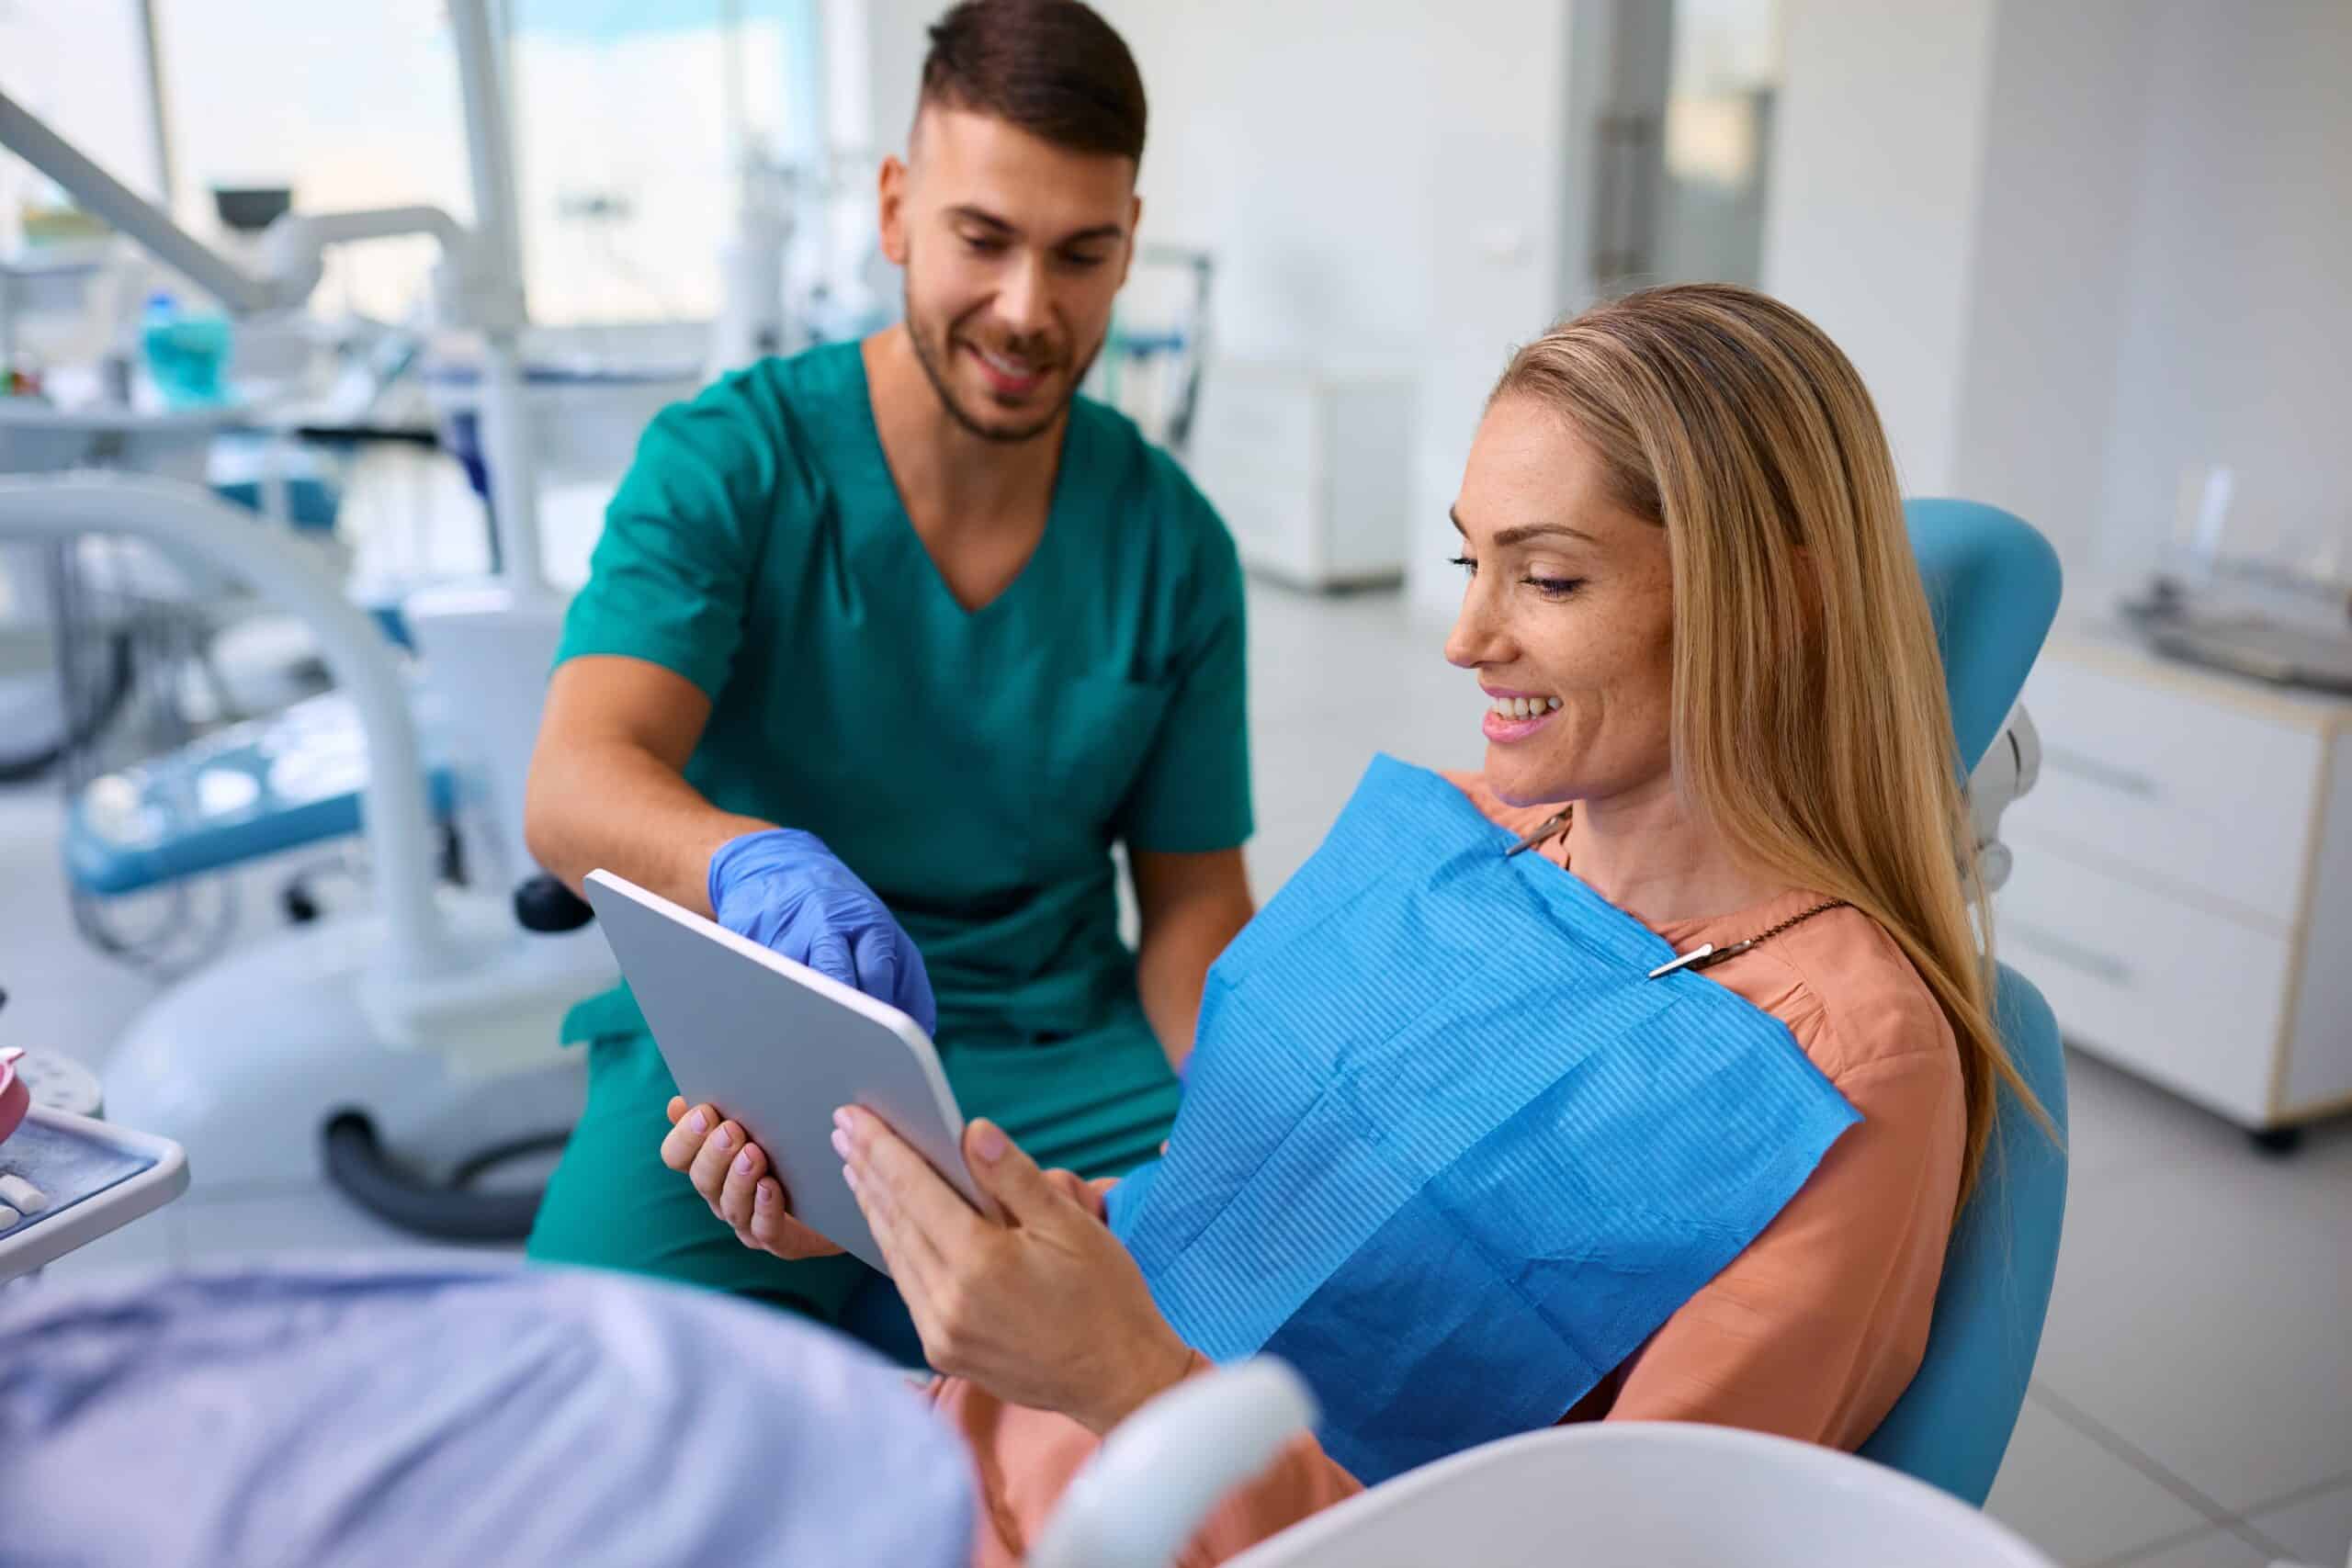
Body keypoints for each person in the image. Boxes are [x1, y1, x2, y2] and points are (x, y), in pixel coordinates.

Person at [664, 283, 2046, 1564]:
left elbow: (1621, 1552)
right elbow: (1222, 1224)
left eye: (1550, 579)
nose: (1469, 638)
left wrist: (1123, 1383)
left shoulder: (1849, 1070)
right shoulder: (1450, 844)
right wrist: (928, 1222)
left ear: (1786, 600)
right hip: (966, 1459)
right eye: (1470, 564)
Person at [523, 0, 1257, 1338]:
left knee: (1260, 1356)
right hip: (742, 1069)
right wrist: (747, 868)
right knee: (591, 1396)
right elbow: (574, 787)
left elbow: (1196, 901)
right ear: (895, 210)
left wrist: (1259, 1104)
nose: (1028, 310)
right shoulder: (732, 465)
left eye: (1081, 254)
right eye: (983, 239)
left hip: (1060, 1065)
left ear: (1130, 245)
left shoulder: (1172, 543)